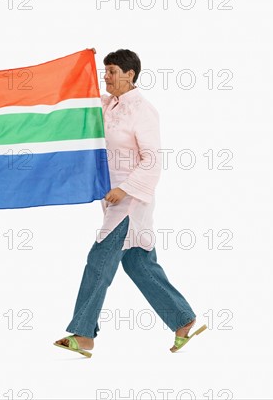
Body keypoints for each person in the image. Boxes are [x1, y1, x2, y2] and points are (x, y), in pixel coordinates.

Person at [54, 49, 205, 357]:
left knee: (99, 260)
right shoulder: (106, 105)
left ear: (129, 74)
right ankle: (182, 319)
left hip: (131, 200)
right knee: (139, 264)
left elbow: (153, 160)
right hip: (111, 199)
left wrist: (124, 189)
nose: (105, 77)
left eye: (110, 71)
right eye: (104, 71)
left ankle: (83, 334)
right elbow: (78, 116)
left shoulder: (143, 111)